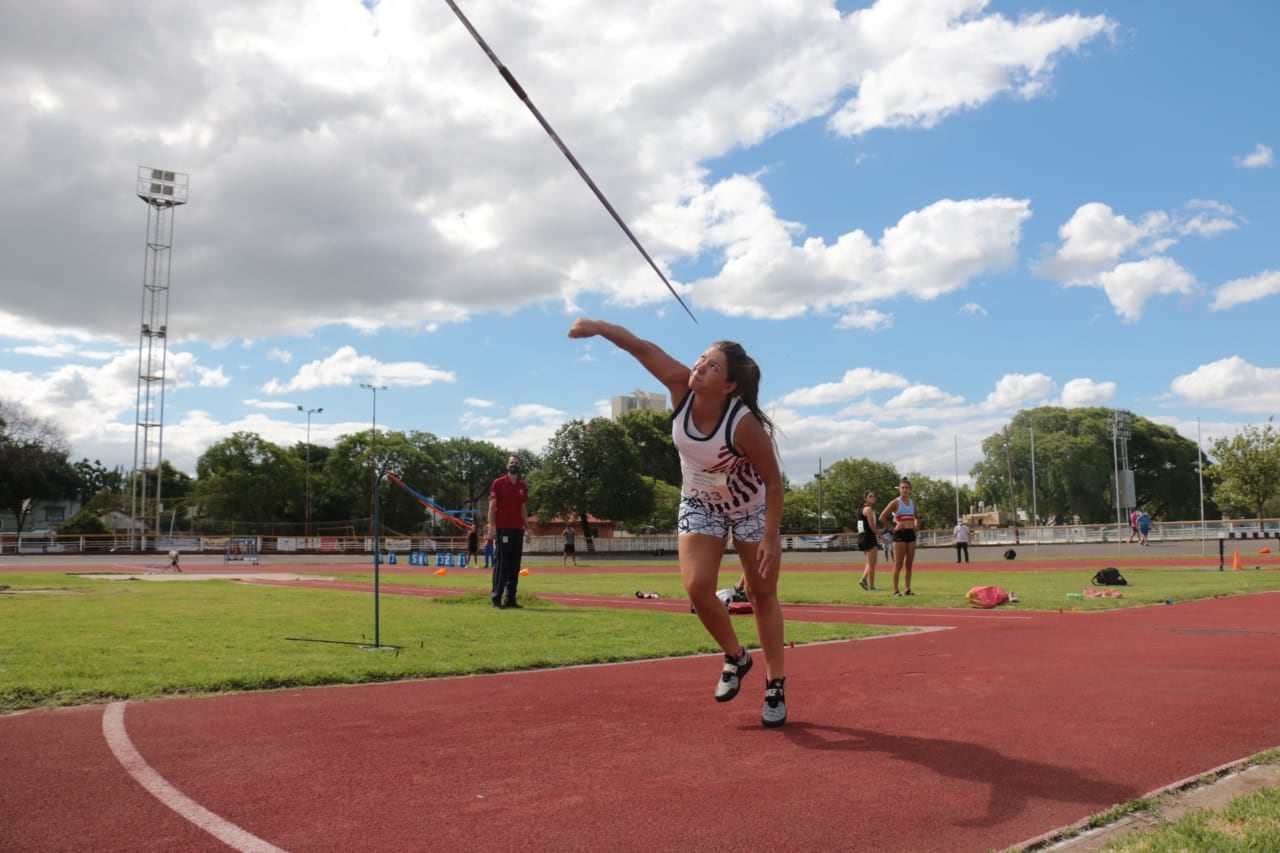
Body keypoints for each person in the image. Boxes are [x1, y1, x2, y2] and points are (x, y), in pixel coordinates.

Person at [568, 318, 787, 728]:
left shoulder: (742, 424)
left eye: (713, 367)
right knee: (697, 587)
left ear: (729, 387)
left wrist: (771, 536)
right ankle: (737, 658)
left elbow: (774, 482)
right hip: (700, 502)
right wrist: (597, 327)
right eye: (702, 358)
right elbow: (639, 344)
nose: (700, 367)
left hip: (749, 508)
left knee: (761, 594)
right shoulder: (679, 387)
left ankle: (775, 683)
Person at [487, 455, 529, 609]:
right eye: (512, 463)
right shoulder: (498, 483)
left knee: (514, 565)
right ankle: (496, 598)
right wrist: (491, 527)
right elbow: (492, 506)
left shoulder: (522, 486)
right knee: (502, 563)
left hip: (517, 529)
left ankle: (510, 598)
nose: (514, 465)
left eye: (517, 463)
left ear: (520, 467)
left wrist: (528, 529)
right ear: (507, 465)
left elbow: (523, 509)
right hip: (502, 529)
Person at [879, 477, 918, 597]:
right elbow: (882, 517)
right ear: (899, 490)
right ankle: (895, 590)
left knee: (909, 564)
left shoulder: (913, 503)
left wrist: (916, 525)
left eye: (907, 488)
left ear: (910, 489)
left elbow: (916, 517)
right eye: (903, 488)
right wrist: (893, 528)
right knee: (898, 564)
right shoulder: (895, 502)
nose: (905, 490)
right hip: (900, 534)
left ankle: (908, 589)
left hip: (910, 534)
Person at [855, 490, 881, 591]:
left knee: (871, 562)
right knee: (872, 564)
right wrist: (881, 536)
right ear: (865, 498)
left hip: (862, 537)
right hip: (868, 537)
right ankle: (872, 586)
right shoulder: (868, 509)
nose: (873, 498)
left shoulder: (861, 509)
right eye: (870, 496)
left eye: (874, 496)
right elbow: (872, 526)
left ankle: (864, 579)